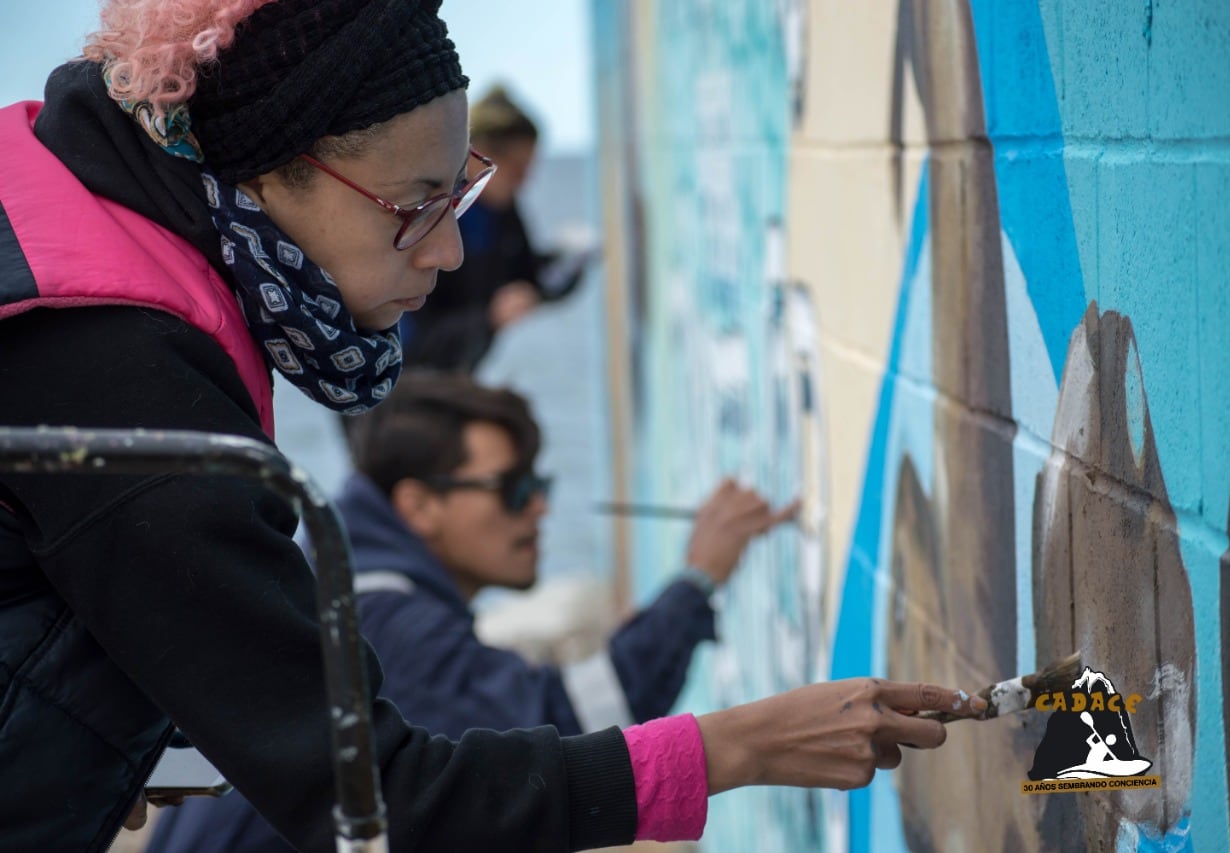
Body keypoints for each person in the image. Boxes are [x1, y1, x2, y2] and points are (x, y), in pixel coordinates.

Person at [0, 1, 986, 850]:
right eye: (416, 208)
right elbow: (377, 801)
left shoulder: (64, 226)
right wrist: (736, 747)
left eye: (459, 194)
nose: (452, 253)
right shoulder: (123, 367)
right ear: (264, 173)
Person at [150, 370, 800, 851]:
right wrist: (698, 576)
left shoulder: (348, 588)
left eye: (539, 485)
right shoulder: (386, 626)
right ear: (419, 506)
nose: (538, 507)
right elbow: (579, 721)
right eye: (514, 488)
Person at [398, 84, 590, 372]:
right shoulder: (428, 216)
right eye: (516, 170)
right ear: (476, 155)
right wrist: (489, 318)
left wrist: (574, 260)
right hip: (399, 386)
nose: (525, 182)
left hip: (456, 376)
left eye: (529, 169)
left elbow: (528, 277)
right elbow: (408, 340)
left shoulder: (503, 209)